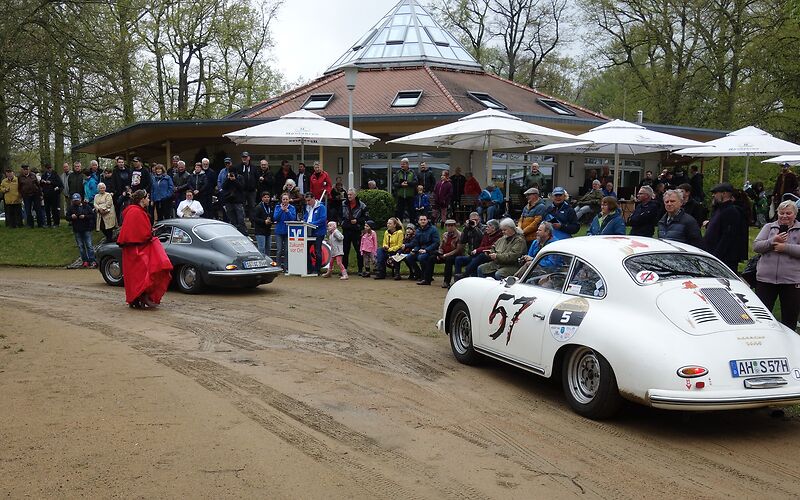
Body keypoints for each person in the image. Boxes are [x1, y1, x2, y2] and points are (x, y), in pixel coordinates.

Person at [116, 190, 173, 308]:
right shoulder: (136, 212)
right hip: (136, 249)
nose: (148, 200)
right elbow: (141, 233)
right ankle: (140, 297)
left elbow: (137, 231)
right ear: (141, 199)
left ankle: (138, 298)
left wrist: (149, 232)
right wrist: (150, 234)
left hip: (134, 248)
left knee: (138, 274)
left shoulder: (134, 211)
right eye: (147, 198)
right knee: (142, 273)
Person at [753, 200, 800, 331]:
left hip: (791, 281)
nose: (784, 216)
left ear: (795, 214)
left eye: (788, 213)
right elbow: (756, 246)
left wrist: (785, 247)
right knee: (762, 315)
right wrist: (772, 241)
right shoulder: (769, 227)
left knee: (790, 317)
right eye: (781, 213)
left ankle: (790, 344)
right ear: (777, 213)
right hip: (765, 279)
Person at [703, 182, 749, 271]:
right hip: (712, 254)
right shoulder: (719, 209)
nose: (713, 195)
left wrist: (716, 257)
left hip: (724, 259)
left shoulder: (731, 211)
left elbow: (727, 237)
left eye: (715, 193)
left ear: (724, 194)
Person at [405, 214, 440, 285]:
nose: (423, 221)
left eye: (424, 220)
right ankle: (419, 274)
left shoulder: (433, 229)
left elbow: (436, 243)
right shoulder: (418, 230)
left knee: (421, 257)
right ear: (418, 221)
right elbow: (416, 243)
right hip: (420, 250)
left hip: (431, 250)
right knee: (409, 257)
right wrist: (414, 250)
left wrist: (426, 250)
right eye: (421, 220)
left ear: (427, 221)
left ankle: (425, 276)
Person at [341, 188, 369, 275]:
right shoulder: (343, 204)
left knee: (358, 250)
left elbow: (366, 218)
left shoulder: (362, 206)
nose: (349, 196)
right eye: (348, 195)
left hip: (357, 230)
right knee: (345, 251)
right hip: (346, 230)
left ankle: (360, 269)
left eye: (350, 195)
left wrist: (357, 221)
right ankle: (344, 269)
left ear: (355, 195)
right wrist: (342, 223)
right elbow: (339, 215)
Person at [66, 193, 97, 267]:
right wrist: (71, 217)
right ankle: (85, 260)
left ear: (80, 199)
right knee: (81, 246)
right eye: (75, 200)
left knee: (89, 245)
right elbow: (67, 217)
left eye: (77, 200)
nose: (76, 202)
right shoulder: (71, 208)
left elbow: (92, 215)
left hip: (86, 228)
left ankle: (92, 260)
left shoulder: (86, 206)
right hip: (77, 229)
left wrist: (85, 216)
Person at [302, 191, 327, 275]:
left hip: (319, 232)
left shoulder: (321, 207)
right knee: (306, 250)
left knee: (317, 251)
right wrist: (304, 222)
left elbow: (322, 219)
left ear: (313, 198)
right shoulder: (307, 207)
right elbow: (306, 217)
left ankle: (317, 269)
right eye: (306, 201)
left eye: (309, 200)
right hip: (308, 232)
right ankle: (309, 268)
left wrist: (312, 223)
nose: (307, 202)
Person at [272, 193, 296, 271]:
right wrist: (281, 211)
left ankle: (286, 267)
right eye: (283, 199)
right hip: (279, 231)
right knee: (279, 250)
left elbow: (293, 219)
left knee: (286, 250)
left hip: (288, 232)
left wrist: (287, 211)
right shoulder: (277, 207)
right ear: (281, 200)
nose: (285, 201)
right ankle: (278, 266)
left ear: (289, 200)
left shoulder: (292, 208)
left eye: (286, 199)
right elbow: (275, 218)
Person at [437, 219, 463, 288]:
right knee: (431, 257)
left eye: (451, 225)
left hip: (455, 255)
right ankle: (427, 279)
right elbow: (441, 246)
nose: (449, 227)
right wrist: (440, 252)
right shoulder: (445, 234)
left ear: (455, 226)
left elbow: (458, 250)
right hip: (444, 254)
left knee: (449, 260)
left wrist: (446, 255)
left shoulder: (460, 235)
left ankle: (446, 282)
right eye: (448, 226)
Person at [40, 163, 63, 227]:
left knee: (54, 210)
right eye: (48, 168)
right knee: (47, 210)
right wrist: (42, 182)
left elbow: (60, 184)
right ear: (46, 169)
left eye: (50, 168)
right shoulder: (44, 175)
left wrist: (51, 182)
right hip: (46, 195)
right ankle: (48, 223)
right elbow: (41, 185)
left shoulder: (55, 174)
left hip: (54, 195)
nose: (49, 169)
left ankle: (56, 223)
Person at [237, 152, 258, 222]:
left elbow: (257, 178)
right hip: (242, 191)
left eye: (245, 157)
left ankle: (252, 221)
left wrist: (255, 187)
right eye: (243, 157)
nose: (244, 158)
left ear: (249, 158)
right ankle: (241, 221)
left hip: (251, 191)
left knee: (252, 206)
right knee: (241, 206)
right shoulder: (238, 167)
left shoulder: (253, 167)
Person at [252, 191, 273, 256]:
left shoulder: (270, 206)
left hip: (268, 231)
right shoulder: (259, 207)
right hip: (260, 231)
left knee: (268, 248)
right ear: (262, 198)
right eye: (265, 197)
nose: (267, 199)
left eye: (268, 197)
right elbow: (254, 218)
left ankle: (268, 262)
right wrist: (264, 221)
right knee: (261, 248)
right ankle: (261, 263)